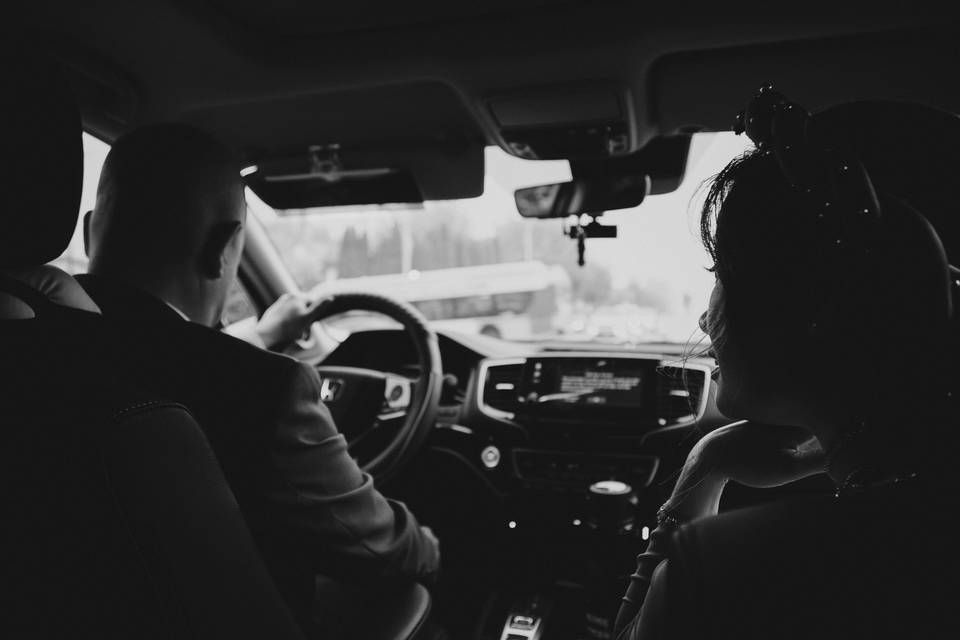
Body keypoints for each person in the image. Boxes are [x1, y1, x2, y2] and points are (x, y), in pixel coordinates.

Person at [613, 91, 960, 639]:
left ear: (816, 307)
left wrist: (704, 470)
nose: (705, 321)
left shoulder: (727, 572)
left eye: (719, 272)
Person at [78, 123, 440, 632]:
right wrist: (430, 544)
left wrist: (266, 336)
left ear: (90, 229)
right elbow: (376, 547)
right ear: (224, 249)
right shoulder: (264, 389)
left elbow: (161, 357)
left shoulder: (27, 345)